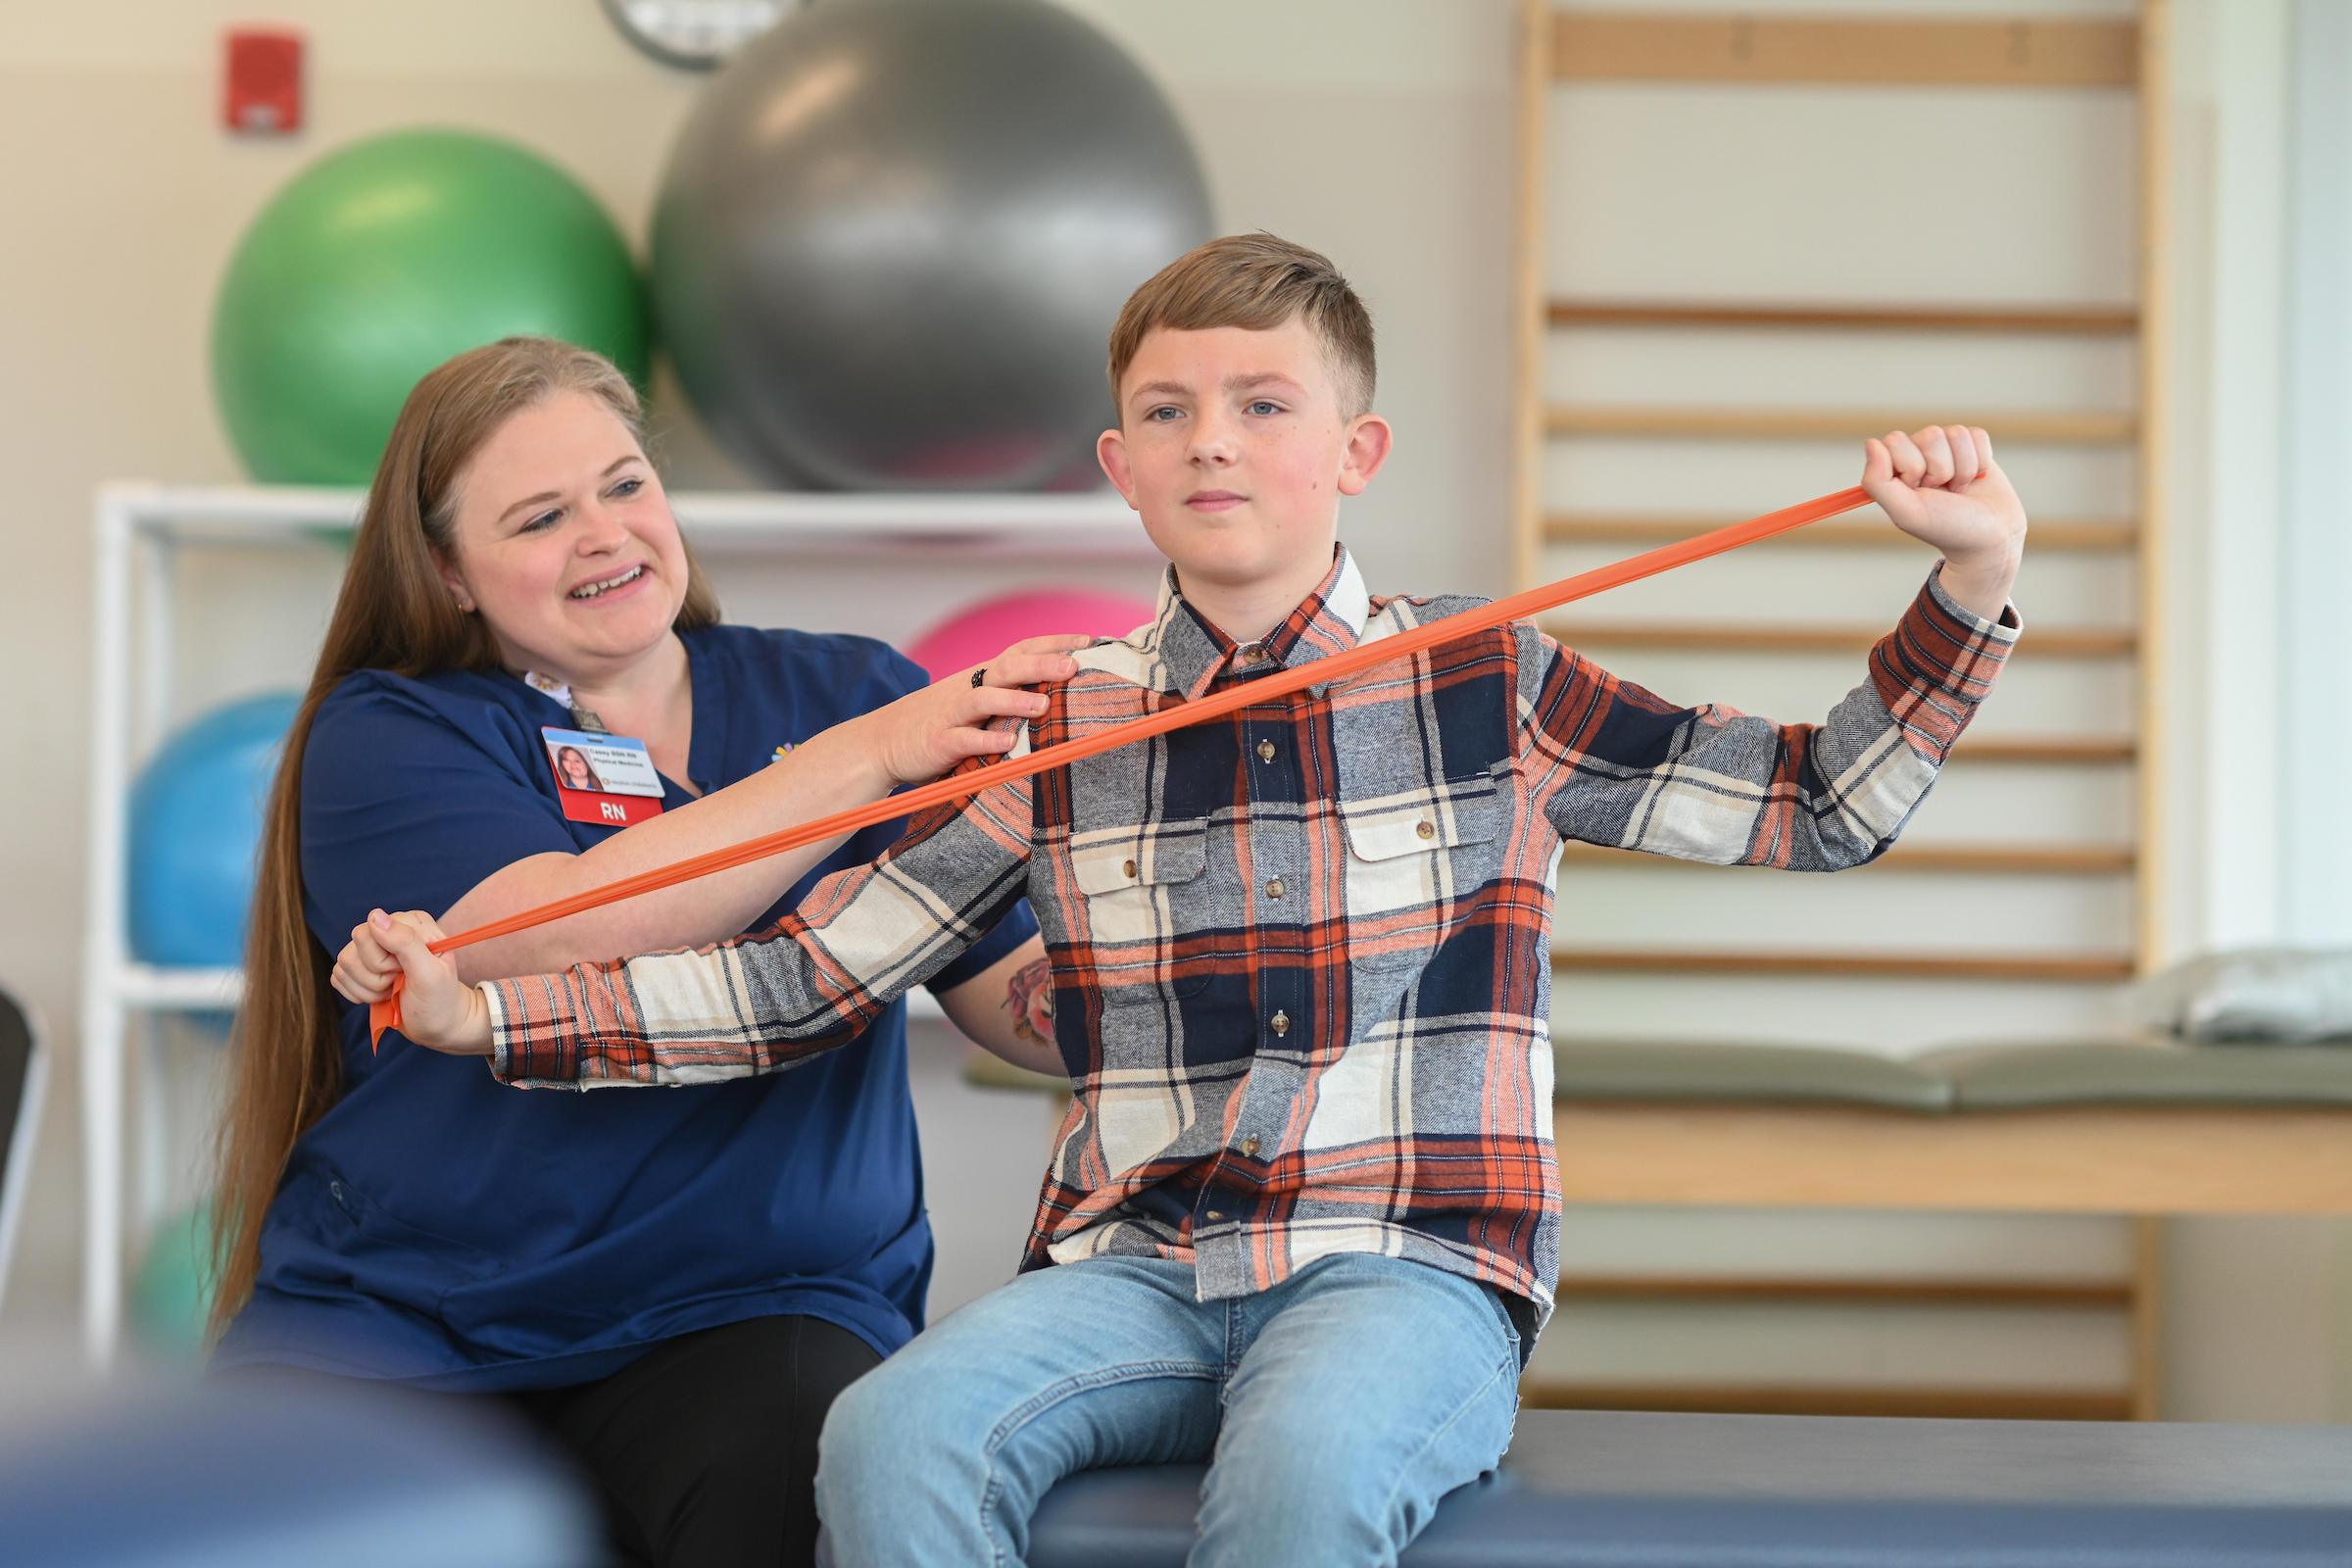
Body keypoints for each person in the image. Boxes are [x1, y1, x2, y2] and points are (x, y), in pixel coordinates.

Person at [340, 237, 2027, 1568]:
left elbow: (1827, 804)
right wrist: (488, 1009)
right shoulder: (1056, 717)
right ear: (1118, 470)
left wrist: (1969, 579)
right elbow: (803, 979)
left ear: (1354, 450)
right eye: (1167, 410)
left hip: (1407, 1263)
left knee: (1303, 1472)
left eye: (1263, 403)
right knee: (887, 1437)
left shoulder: (1492, 679)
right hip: (1138, 1266)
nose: (1211, 437)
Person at [209, 336, 1078, 1568]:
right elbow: (548, 932)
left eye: (624, 484)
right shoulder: (389, 731)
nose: (605, 533)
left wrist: (1205, 959)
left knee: (791, 1462)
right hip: (414, 1318)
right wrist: (866, 760)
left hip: (754, 1312)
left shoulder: (845, 691)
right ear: (449, 571)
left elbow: (1026, 1008)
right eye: (540, 516)